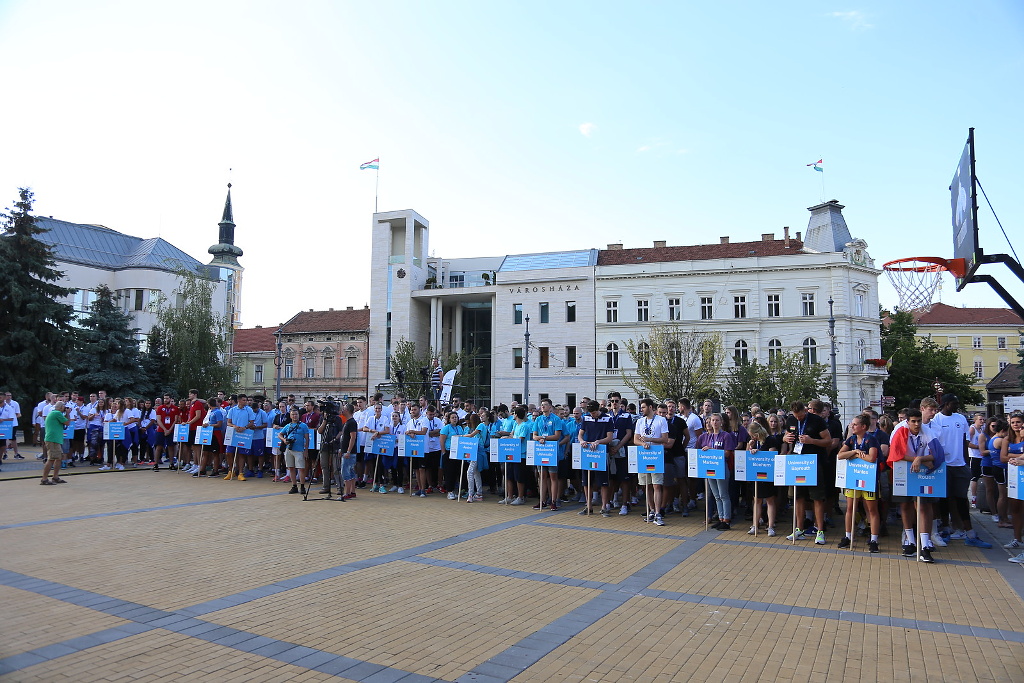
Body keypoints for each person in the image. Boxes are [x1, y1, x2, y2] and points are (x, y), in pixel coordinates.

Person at [931, 395, 990, 547]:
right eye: (954, 403)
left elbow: (965, 441)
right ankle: (945, 528)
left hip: (960, 464)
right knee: (943, 498)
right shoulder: (936, 420)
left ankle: (969, 533)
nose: (957, 406)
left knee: (962, 499)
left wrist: (966, 462)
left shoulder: (961, 419)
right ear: (945, 404)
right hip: (944, 465)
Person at [887, 408, 937, 563]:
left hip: (922, 472)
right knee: (905, 505)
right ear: (907, 421)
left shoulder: (927, 431)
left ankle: (925, 545)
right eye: (913, 421)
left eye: (918, 421)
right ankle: (910, 540)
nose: (916, 424)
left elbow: (938, 454)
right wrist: (918, 458)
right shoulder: (899, 430)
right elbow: (895, 455)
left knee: (922, 506)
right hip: (903, 471)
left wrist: (920, 459)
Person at [782, 401, 833, 544]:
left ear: (806, 410)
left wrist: (812, 441)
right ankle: (799, 528)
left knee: (817, 497)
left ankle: (820, 530)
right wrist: (785, 438)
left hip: (814, 463)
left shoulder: (817, 420)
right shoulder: (791, 420)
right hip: (796, 462)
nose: (798, 418)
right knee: (798, 497)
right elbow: (785, 436)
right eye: (795, 416)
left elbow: (828, 441)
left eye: (800, 415)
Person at [837, 414, 881, 553]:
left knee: (871, 509)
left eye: (855, 424)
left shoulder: (871, 440)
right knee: (850, 508)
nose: (852, 426)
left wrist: (854, 455)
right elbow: (840, 455)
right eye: (852, 424)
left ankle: (874, 539)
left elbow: (872, 458)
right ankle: (848, 536)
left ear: (863, 427)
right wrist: (855, 452)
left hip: (868, 479)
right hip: (853, 478)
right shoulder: (851, 440)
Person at [633, 398, 670, 526]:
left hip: (656, 455)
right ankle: (652, 510)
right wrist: (643, 443)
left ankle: (658, 513)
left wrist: (650, 439)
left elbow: (665, 439)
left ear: (650, 407)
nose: (641, 410)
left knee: (657, 485)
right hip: (643, 455)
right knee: (646, 485)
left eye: (643, 407)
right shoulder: (639, 421)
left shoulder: (661, 420)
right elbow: (635, 439)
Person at [697, 413, 737, 529]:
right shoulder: (707, 436)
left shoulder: (726, 436)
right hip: (710, 468)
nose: (714, 422)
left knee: (723, 494)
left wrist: (712, 450)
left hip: (721, 467)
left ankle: (727, 520)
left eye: (717, 420)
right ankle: (720, 518)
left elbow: (727, 452)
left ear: (721, 422)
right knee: (716, 495)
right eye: (712, 420)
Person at [577, 401, 615, 517]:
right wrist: (582, 441)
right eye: (591, 413)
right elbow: (580, 434)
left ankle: (604, 507)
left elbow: (609, 437)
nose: (592, 415)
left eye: (594, 412)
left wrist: (599, 441)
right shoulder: (586, 418)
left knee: (603, 481)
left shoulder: (607, 419)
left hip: (601, 453)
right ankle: (589, 506)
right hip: (588, 452)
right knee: (586, 480)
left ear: (598, 409)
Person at [746, 421, 781, 536]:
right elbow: (747, 456)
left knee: (770, 500)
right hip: (755, 474)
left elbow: (772, 455)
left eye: (753, 435)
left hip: (767, 473)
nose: (752, 437)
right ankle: (755, 525)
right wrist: (750, 447)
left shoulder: (770, 440)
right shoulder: (753, 442)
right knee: (757, 500)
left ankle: (770, 526)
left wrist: (759, 452)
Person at [531, 399, 563, 511]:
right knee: (542, 476)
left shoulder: (556, 419)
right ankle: (542, 501)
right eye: (541, 405)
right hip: (541, 451)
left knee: (553, 476)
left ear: (550, 407)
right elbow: (534, 435)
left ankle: (554, 501)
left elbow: (557, 436)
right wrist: (539, 438)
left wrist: (544, 438)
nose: (543, 407)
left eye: (545, 405)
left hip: (551, 451)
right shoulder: (538, 419)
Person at [1002, 413, 1024, 562]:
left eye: (1019, 423)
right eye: (1014, 422)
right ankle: (1017, 538)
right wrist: (1019, 457)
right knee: (1015, 508)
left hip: (1021, 475)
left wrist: (1017, 458)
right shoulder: (1007, 439)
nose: (1016, 425)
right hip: (1013, 476)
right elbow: (1003, 457)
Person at [278, 408, 311, 495]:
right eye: (293, 414)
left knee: (301, 468)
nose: (294, 416)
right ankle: (294, 485)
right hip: (289, 449)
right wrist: (284, 440)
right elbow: (280, 434)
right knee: (291, 467)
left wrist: (306, 450)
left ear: (298, 415)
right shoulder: (288, 426)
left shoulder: (303, 426)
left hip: (299, 450)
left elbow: (307, 439)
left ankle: (302, 486)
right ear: (290, 416)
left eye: (296, 414)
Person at [41, 400, 70, 485]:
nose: (65, 408)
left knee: (58, 458)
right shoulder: (57, 413)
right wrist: (67, 413)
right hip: (53, 439)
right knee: (51, 459)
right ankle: (44, 479)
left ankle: (55, 477)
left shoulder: (54, 413)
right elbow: (67, 422)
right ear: (61, 407)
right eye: (64, 407)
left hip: (55, 439)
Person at [440, 410, 466, 499]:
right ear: (449, 419)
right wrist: (444, 452)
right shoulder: (446, 428)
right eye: (452, 418)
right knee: (449, 472)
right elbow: (442, 440)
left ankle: (456, 490)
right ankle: (449, 491)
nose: (454, 419)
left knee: (456, 472)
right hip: (449, 452)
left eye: (456, 417)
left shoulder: (459, 428)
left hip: (458, 452)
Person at [338, 403, 359, 500]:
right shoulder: (348, 422)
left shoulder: (352, 422)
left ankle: (347, 493)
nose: (342, 410)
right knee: (350, 472)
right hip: (346, 451)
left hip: (349, 452)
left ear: (348, 410)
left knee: (345, 472)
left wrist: (348, 451)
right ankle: (352, 491)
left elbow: (353, 437)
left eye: (344, 409)